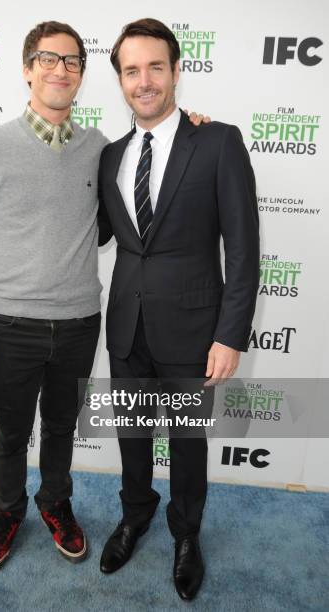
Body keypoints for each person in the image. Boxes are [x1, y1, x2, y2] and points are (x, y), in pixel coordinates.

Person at [0, 20, 207, 574]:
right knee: (11, 431)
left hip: (81, 321)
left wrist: (195, 131)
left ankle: (55, 504)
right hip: (10, 322)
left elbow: (155, 168)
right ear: (26, 68)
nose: (59, 69)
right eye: (47, 58)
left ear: (82, 77)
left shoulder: (101, 151)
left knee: (62, 427)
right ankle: (7, 512)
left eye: (71, 61)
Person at [97, 18, 260, 601]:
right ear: (119, 80)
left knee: (189, 445)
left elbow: (242, 247)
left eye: (155, 67)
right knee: (132, 435)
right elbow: (90, 233)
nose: (144, 81)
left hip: (195, 330)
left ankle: (187, 534)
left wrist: (231, 335)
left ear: (175, 71)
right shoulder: (108, 155)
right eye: (132, 70)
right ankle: (135, 514)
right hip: (126, 326)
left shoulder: (216, 141)